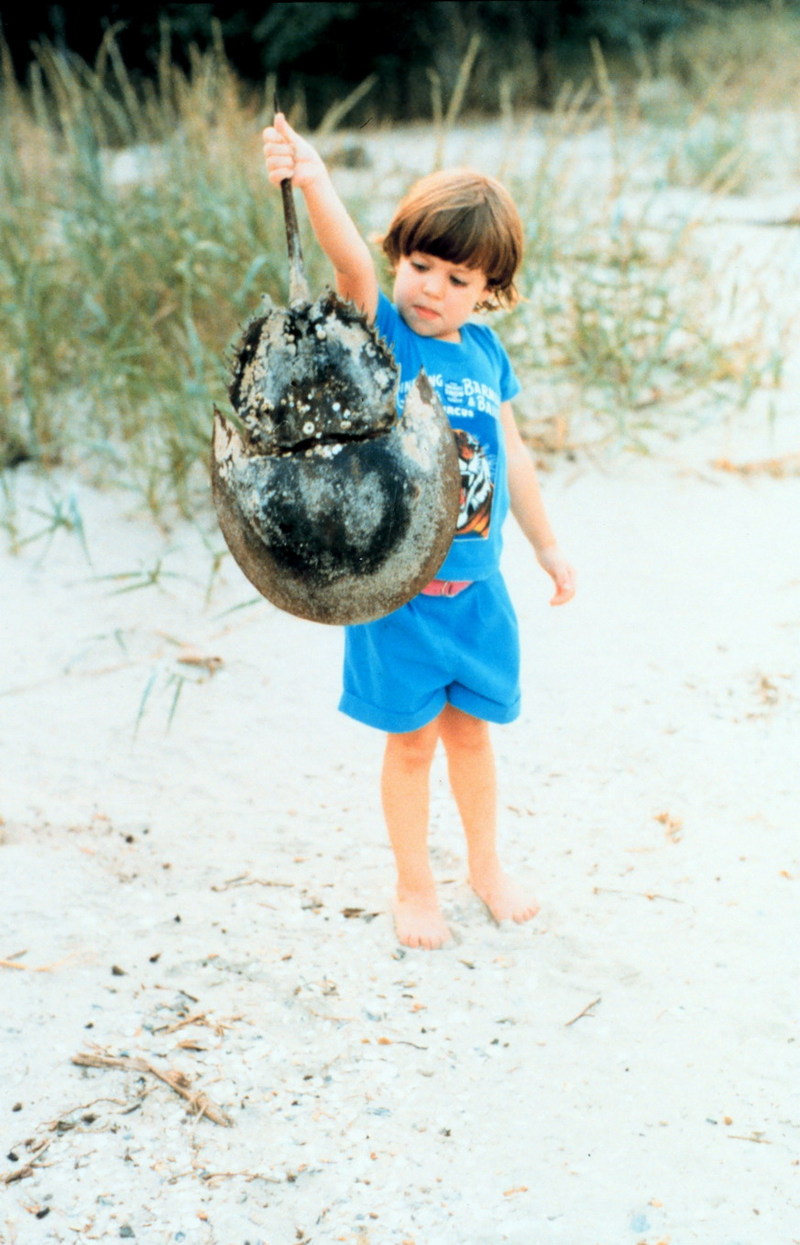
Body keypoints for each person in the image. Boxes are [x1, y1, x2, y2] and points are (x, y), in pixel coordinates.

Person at [263, 115, 576, 950]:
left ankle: (485, 864)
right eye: (421, 265)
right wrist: (315, 178)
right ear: (401, 258)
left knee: (473, 735)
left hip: (479, 590)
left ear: (490, 293)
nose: (431, 287)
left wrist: (547, 546)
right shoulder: (384, 334)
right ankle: (413, 883)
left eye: (458, 278)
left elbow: (515, 460)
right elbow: (348, 265)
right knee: (410, 746)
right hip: (395, 595)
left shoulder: (484, 357)